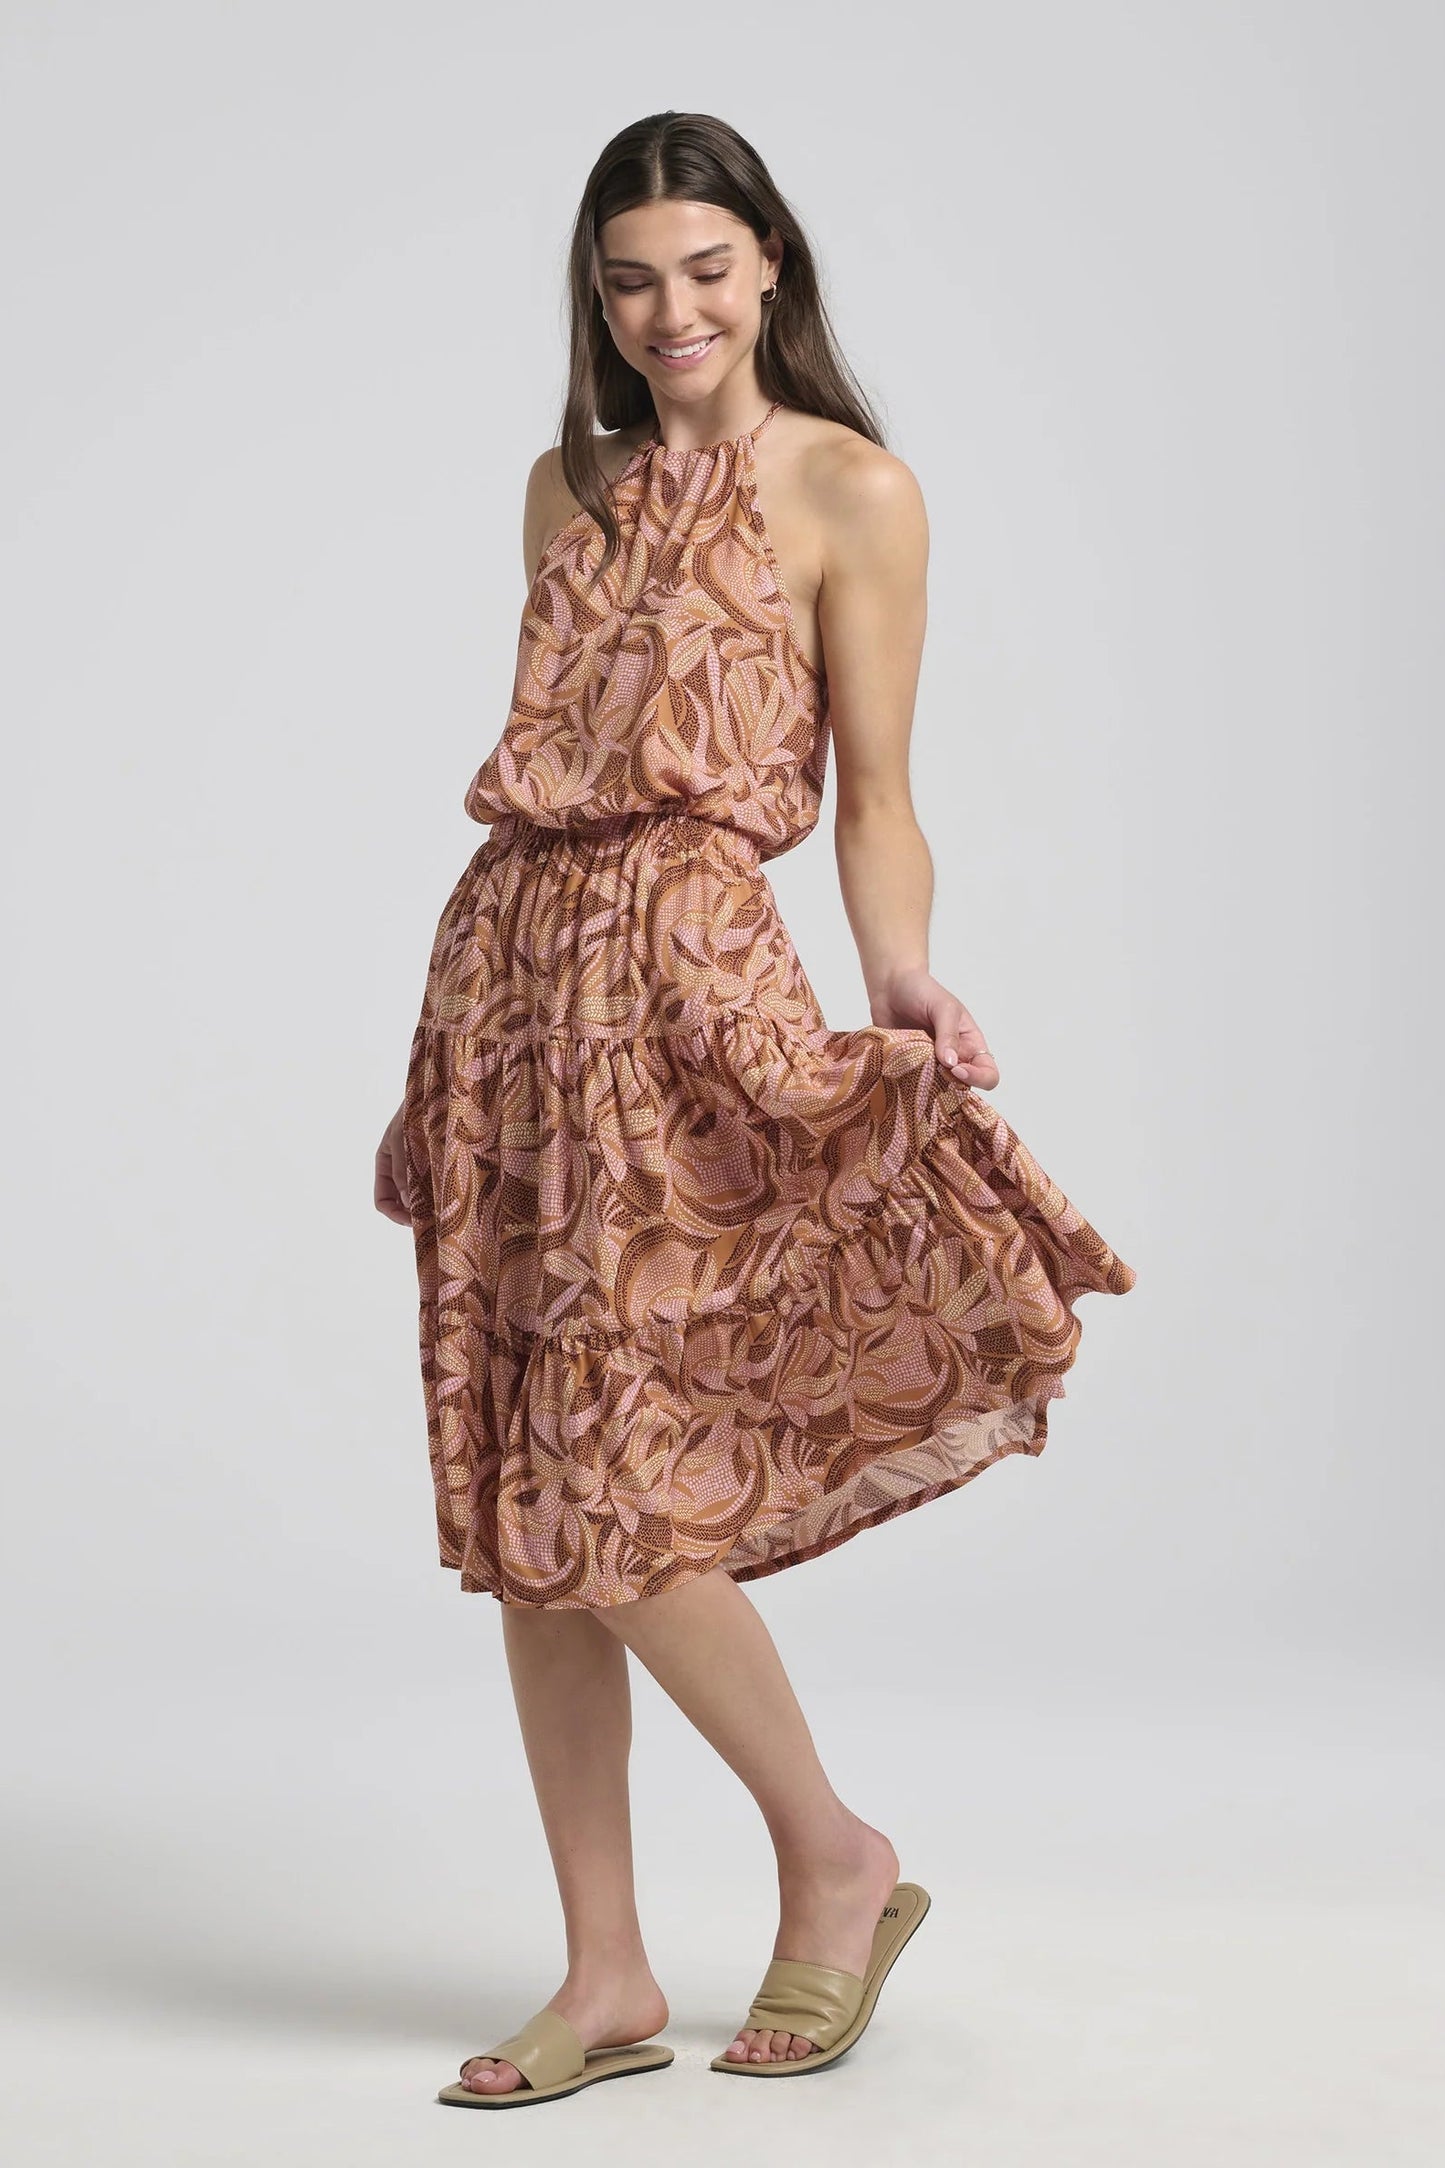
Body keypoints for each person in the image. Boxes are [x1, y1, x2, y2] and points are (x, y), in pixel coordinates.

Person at [374, 110, 1137, 2108]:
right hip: (517, 986)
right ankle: (608, 1968)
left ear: (770, 264)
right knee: (539, 1508)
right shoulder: (570, 484)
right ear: (598, 298)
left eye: (705, 268)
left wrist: (900, 978)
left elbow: (877, 792)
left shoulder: (853, 490)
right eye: (631, 280)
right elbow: (558, 760)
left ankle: (834, 1858)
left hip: (694, 990)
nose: (670, 310)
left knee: (621, 1486)